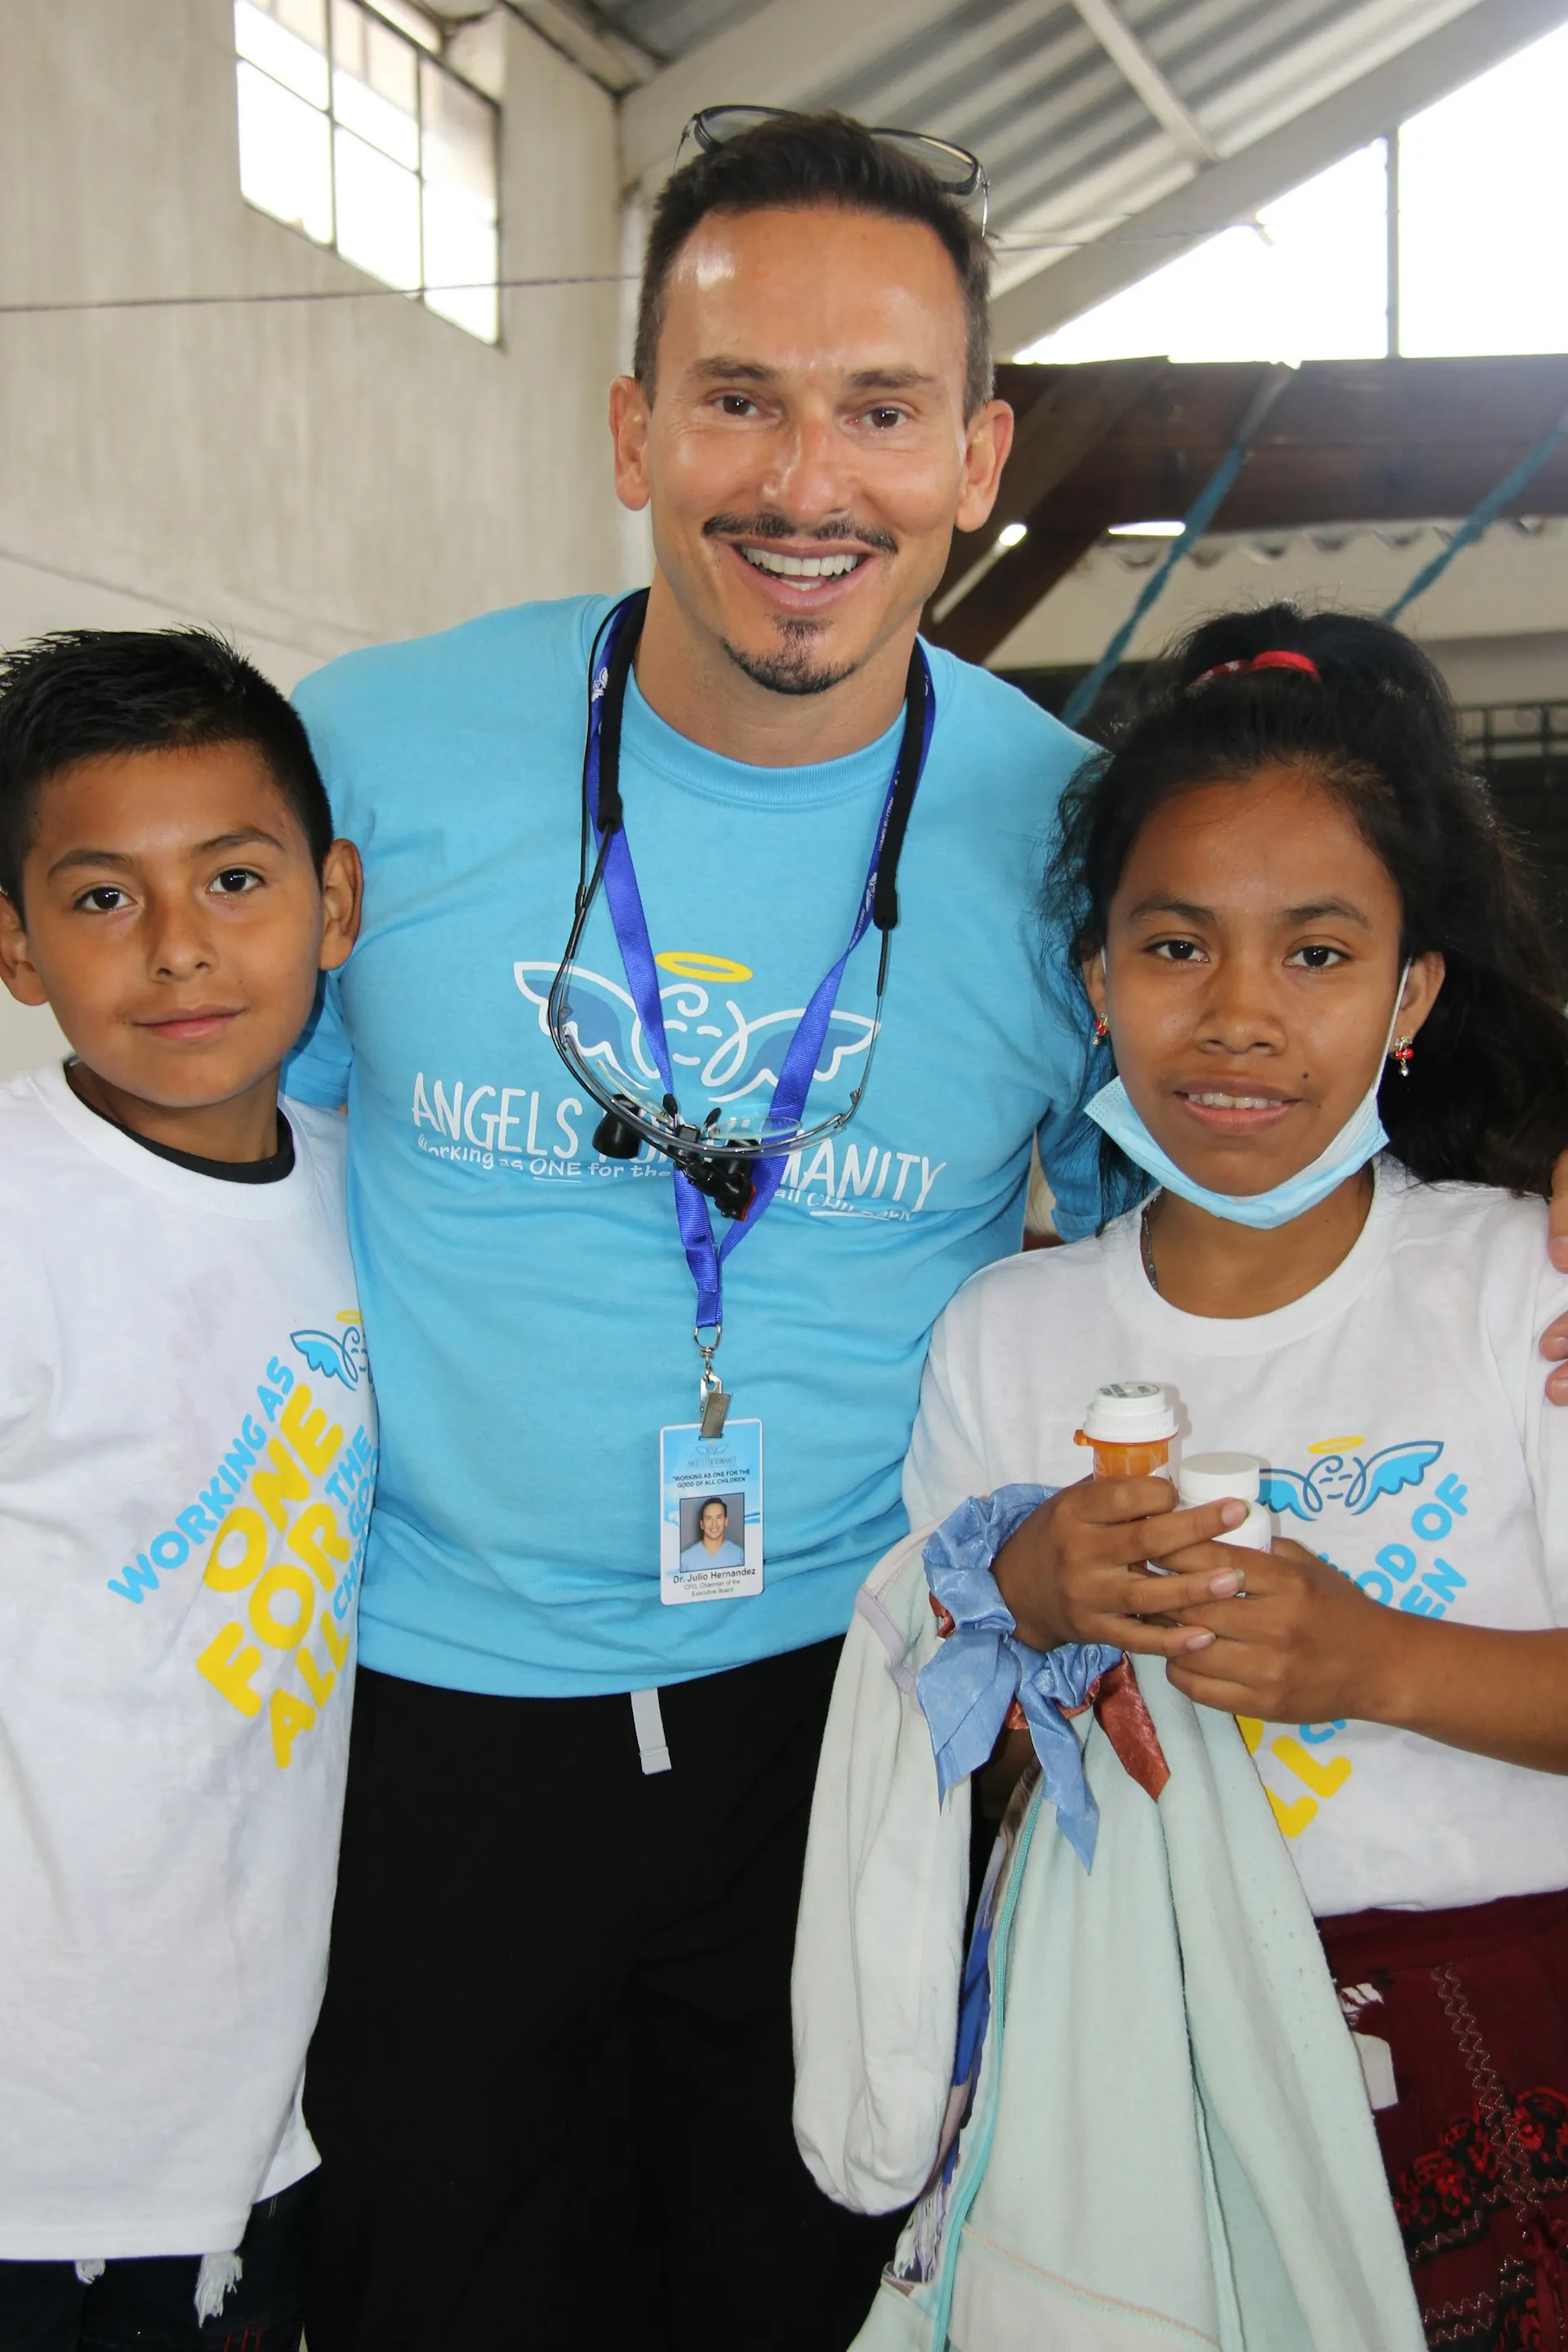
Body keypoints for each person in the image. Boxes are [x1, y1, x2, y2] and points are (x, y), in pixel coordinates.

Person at [284, 108, 1107, 2351]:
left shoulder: (1073, 842)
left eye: (879, 410)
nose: (804, 484)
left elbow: (1220, 1196)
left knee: (812, 2303)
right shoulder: (369, 760)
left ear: (977, 451)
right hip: (427, 1721)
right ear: (635, 427)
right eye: (739, 400)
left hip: (843, 1721)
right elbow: (180, 1151)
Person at [795, 607, 1568, 2350]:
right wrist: (1023, 1603)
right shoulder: (1008, 1332)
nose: (1239, 1019)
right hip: (1139, 2053)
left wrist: (1384, 1666)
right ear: (1096, 983)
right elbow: (942, 1743)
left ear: (1412, 992)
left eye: (1316, 956)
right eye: (1174, 948)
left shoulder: (1520, 1287)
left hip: (1501, 2039)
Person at [0, 630, 371, 2352]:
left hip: (253, 2125)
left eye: (233, 876)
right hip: (36, 2139)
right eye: (98, 900)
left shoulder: (381, 1203)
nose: (178, 949)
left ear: (333, 901)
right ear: (13, 941)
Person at [680, 1494, 746, 1572]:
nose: (714, 1524)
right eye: (708, 1518)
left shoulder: (740, 1555)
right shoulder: (684, 1560)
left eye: (719, 1517)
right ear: (702, 1524)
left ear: (726, 1521)